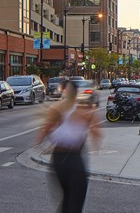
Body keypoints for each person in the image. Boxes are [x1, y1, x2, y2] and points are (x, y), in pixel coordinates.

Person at [37, 79, 102, 213]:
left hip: (58, 159)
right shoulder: (85, 109)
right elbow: (97, 132)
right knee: (76, 198)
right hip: (74, 158)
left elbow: (45, 129)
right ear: (76, 93)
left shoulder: (56, 108)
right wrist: (95, 146)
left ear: (64, 92)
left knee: (68, 197)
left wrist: (42, 143)